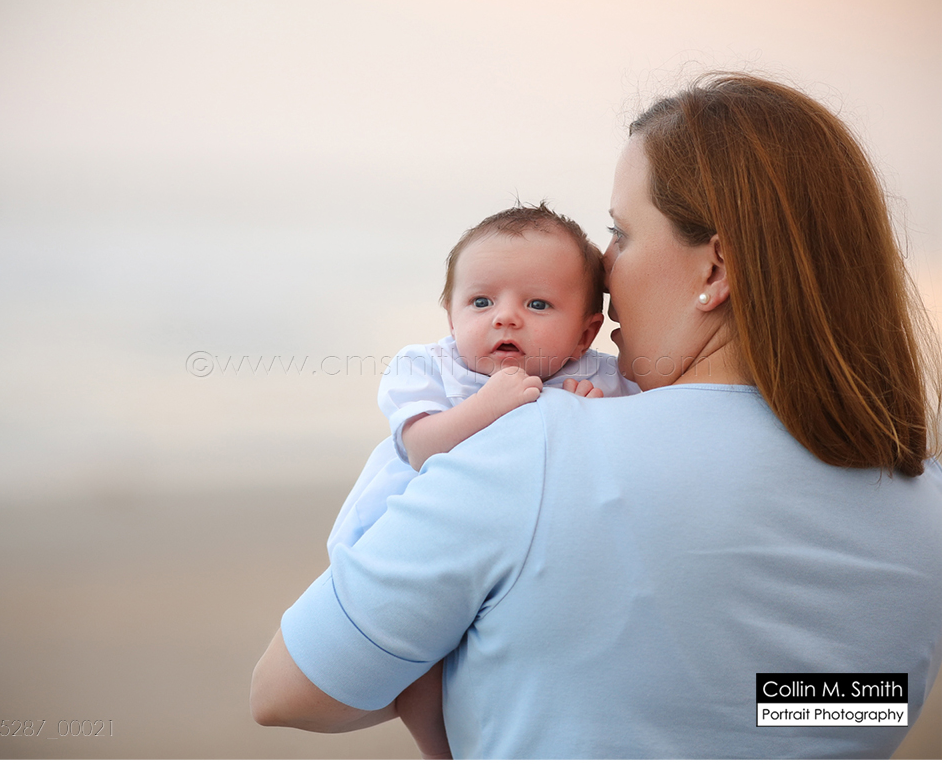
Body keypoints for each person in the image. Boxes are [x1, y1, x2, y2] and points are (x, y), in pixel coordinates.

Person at [251, 73, 941, 759]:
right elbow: (844, 708)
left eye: (622, 233)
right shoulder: (926, 510)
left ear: (716, 269)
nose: (604, 271)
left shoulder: (539, 445)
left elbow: (287, 688)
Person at [326, 204, 639, 756]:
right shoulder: (428, 368)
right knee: (423, 667)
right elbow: (421, 448)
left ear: (587, 331)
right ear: (450, 315)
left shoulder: (595, 376)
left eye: (538, 304)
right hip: (403, 540)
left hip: (519, 560)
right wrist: (489, 407)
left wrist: (590, 412)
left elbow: (629, 445)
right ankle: (439, 753)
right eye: (481, 301)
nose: (506, 317)